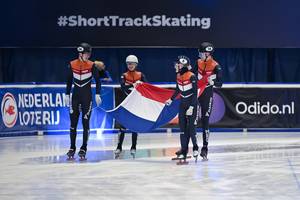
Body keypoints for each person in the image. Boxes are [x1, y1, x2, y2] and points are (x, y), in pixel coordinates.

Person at [65, 42, 102, 160]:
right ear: (80, 54)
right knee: (73, 124)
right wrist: (67, 94)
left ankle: (83, 147)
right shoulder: (72, 64)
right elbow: (69, 80)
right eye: (86, 54)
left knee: (86, 123)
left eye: (89, 54)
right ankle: (72, 147)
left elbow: (98, 81)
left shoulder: (92, 65)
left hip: (87, 97)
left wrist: (97, 94)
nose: (88, 56)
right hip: (75, 97)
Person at [165, 55, 198, 162]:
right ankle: (183, 150)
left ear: (182, 65)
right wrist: (171, 99)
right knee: (182, 128)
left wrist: (192, 107)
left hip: (191, 104)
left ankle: (195, 148)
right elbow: (178, 90)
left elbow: (195, 93)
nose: (176, 66)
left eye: (177, 64)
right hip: (183, 104)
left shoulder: (192, 76)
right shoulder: (178, 76)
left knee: (192, 128)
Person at [114, 55, 147, 158]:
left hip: (136, 104)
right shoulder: (124, 75)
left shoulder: (141, 75)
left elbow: (147, 86)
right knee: (122, 127)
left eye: (132, 64)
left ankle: (133, 147)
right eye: (128, 64)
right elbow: (122, 86)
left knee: (134, 127)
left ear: (136, 64)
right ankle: (119, 146)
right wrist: (133, 85)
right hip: (126, 104)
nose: (130, 65)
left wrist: (141, 83)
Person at [196, 42, 222, 160]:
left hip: (207, 94)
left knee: (205, 121)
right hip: (197, 93)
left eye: (202, 53)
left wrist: (213, 83)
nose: (200, 55)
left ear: (207, 53)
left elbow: (220, 84)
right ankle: (192, 147)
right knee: (192, 121)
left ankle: (205, 148)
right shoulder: (198, 62)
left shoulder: (216, 66)